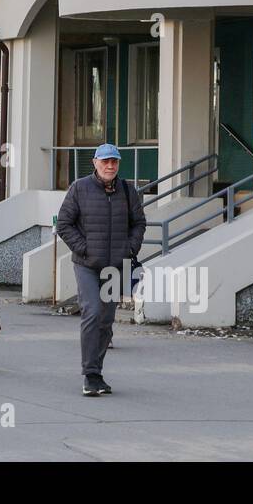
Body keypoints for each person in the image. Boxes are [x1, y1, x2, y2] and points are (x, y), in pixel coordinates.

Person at [55, 143, 146, 397]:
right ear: (95, 162)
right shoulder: (80, 188)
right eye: (105, 161)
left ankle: (97, 371)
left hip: (115, 267)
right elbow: (64, 224)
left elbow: (139, 223)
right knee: (92, 313)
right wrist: (84, 248)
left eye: (114, 162)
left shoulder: (128, 191)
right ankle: (89, 374)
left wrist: (129, 249)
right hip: (87, 265)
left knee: (106, 321)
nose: (110, 166)